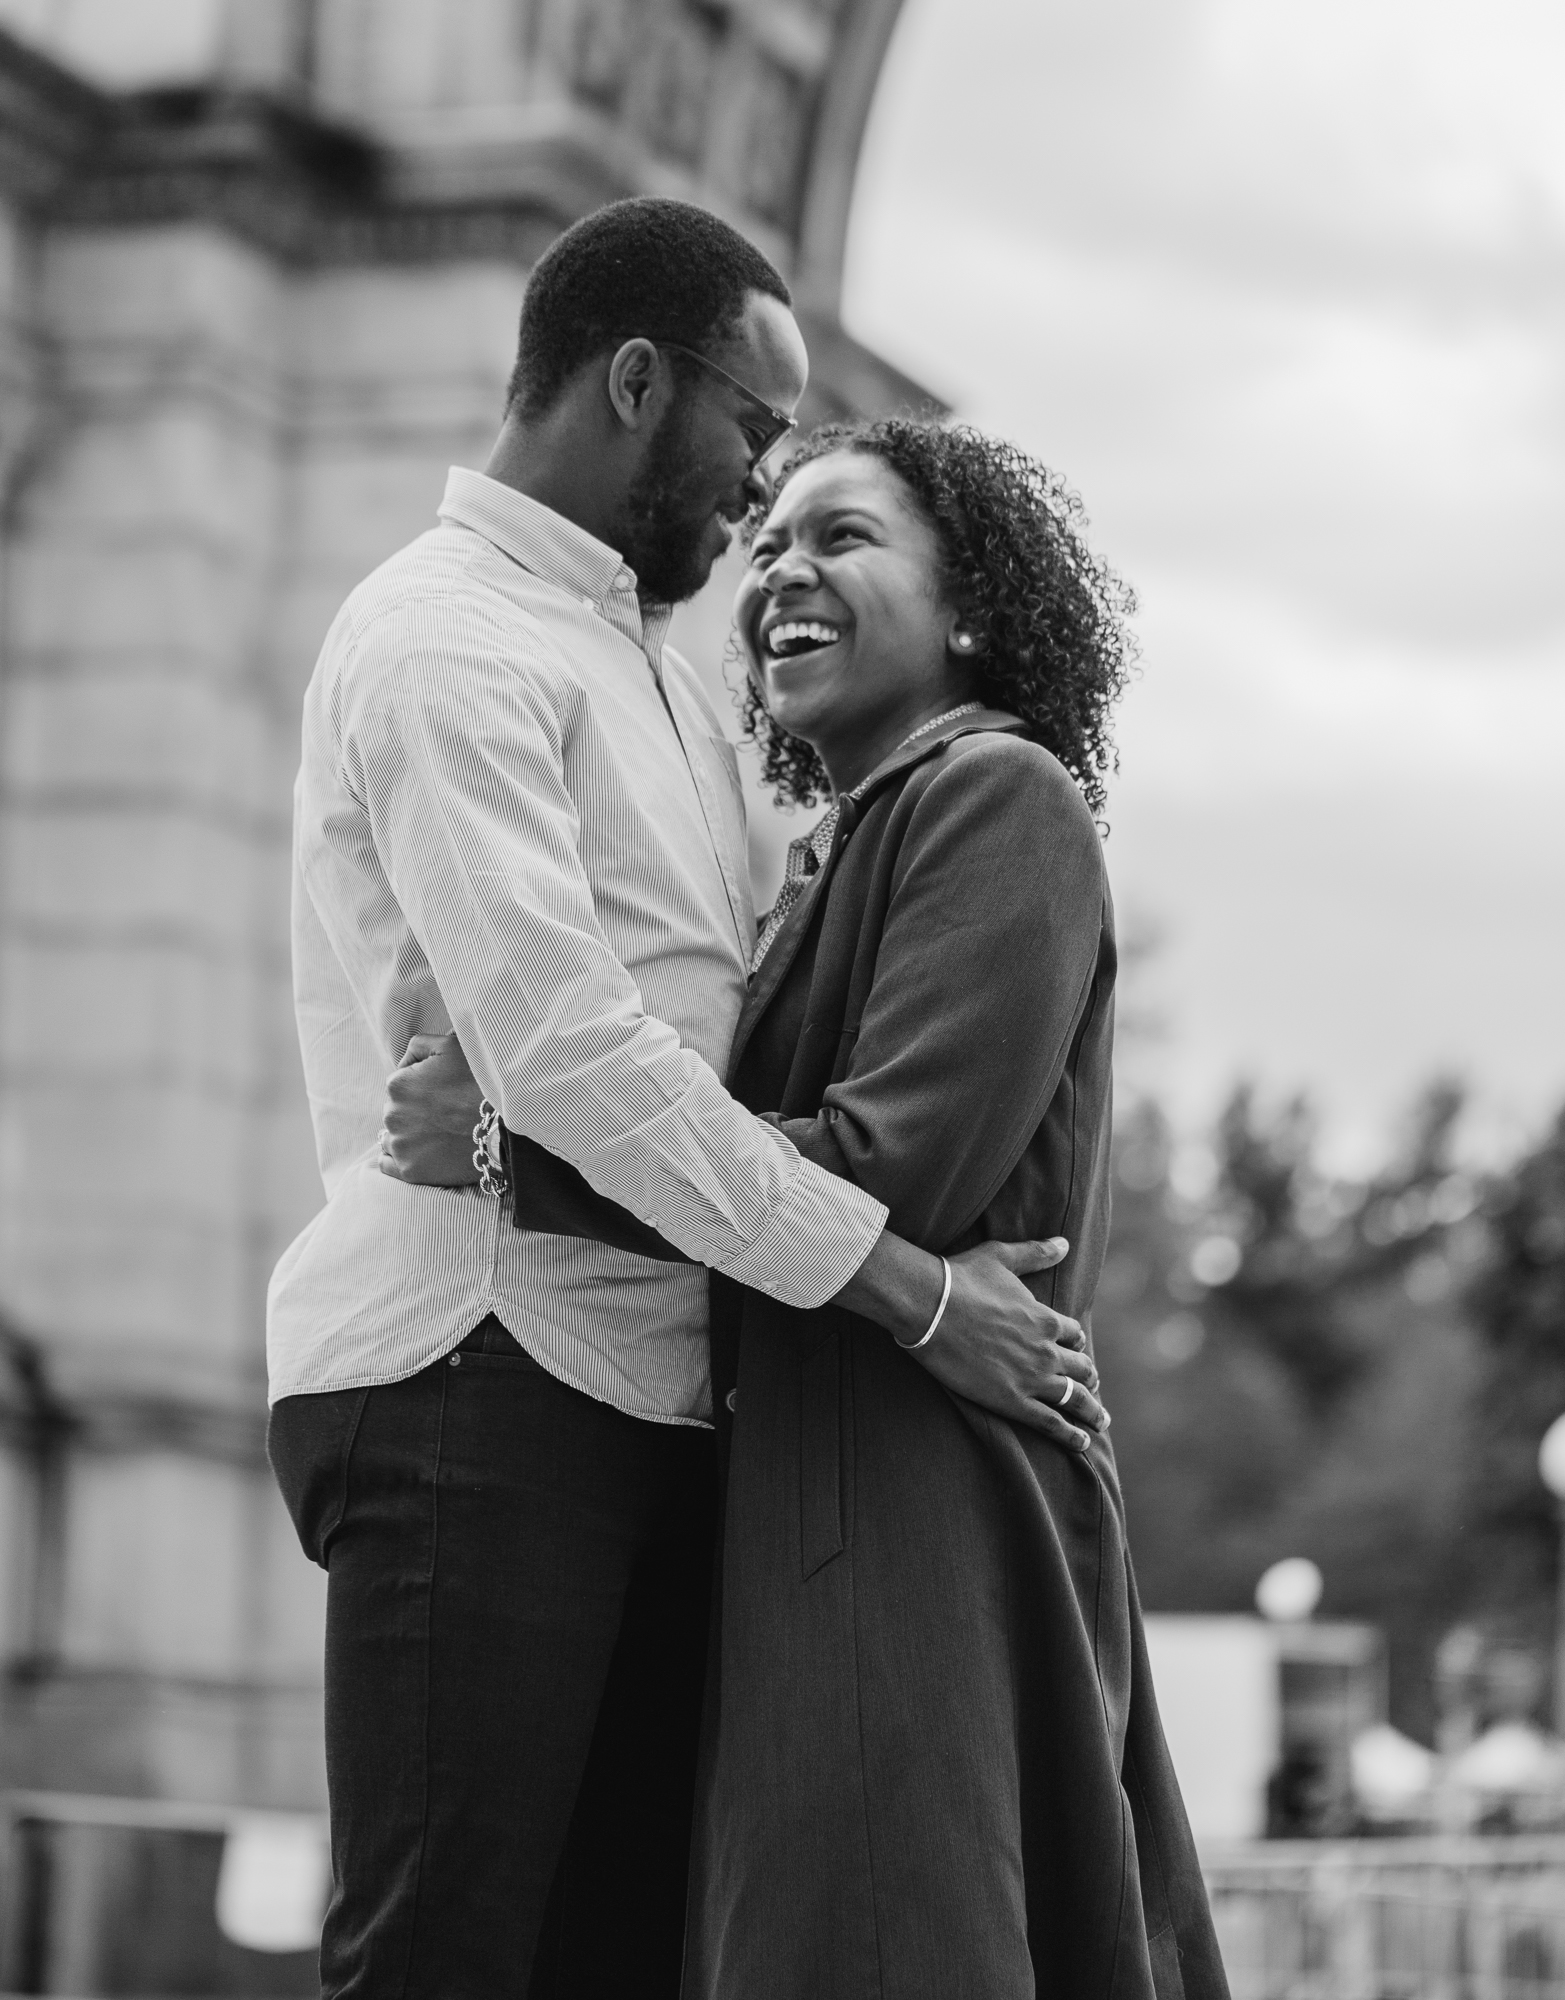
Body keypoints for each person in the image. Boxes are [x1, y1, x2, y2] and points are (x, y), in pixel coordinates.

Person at [266, 198, 1101, 1996]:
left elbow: (701, 1062)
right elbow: (572, 1052)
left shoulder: (652, 672)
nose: (761, 490)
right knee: (442, 1968)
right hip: (479, 1375)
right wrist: (911, 1291)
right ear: (640, 381)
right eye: (756, 431)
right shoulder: (446, 642)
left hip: (650, 1395)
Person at [387, 419, 1229, 1997]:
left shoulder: (998, 797)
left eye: (844, 537)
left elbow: (872, 1167)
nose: (780, 568)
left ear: (972, 605)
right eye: (768, 538)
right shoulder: (848, 844)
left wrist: (518, 1154)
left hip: (909, 1516)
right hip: (826, 1494)